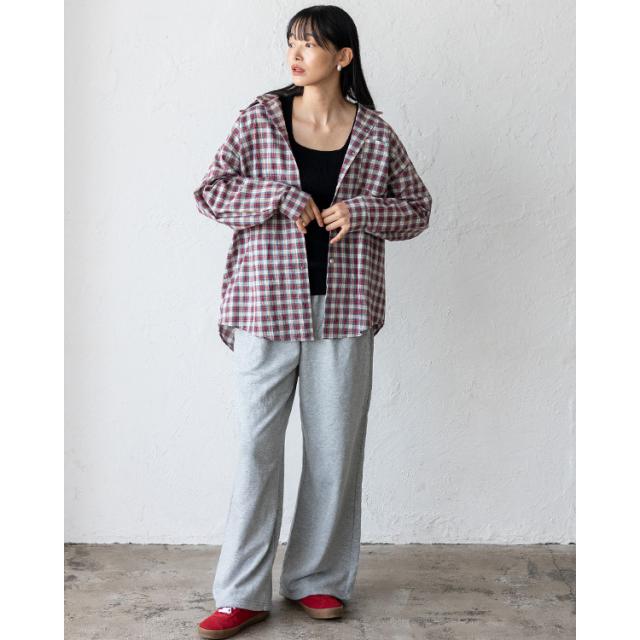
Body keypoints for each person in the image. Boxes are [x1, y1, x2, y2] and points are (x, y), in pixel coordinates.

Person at [193, 6, 432, 638]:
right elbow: (212, 191)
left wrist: (364, 211)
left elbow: (417, 208)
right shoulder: (259, 120)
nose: (295, 55)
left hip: (345, 309)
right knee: (255, 450)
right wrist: (277, 197)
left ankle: (317, 578)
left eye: (310, 44)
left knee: (333, 452)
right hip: (265, 307)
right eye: (291, 42)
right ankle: (241, 593)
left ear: (343, 56)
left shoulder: (375, 134)